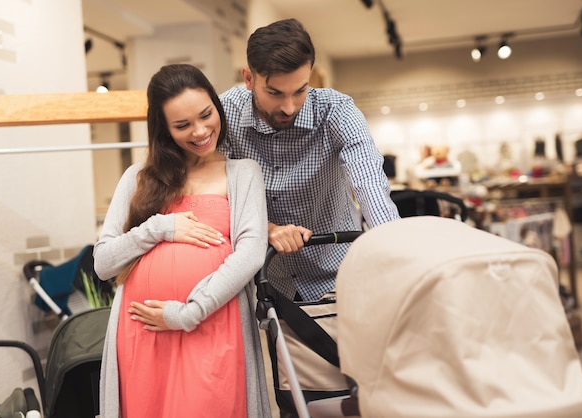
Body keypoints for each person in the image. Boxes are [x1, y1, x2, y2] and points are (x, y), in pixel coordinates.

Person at [94, 63, 272, 418]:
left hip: (209, 325)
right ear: (164, 129)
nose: (201, 130)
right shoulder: (137, 178)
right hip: (144, 331)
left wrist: (189, 313)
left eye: (206, 115)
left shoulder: (242, 173)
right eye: (182, 125)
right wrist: (161, 227)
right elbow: (103, 263)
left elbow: (250, 253)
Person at [219, 18, 401, 302]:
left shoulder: (336, 110)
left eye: (300, 90)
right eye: (274, 93)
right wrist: (267, 229)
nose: (288, 107)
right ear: (248, 79)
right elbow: (216, 194)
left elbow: (369, 183)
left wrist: (399, 250)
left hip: (341, 271)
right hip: (269, 278)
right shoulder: (225, 114)